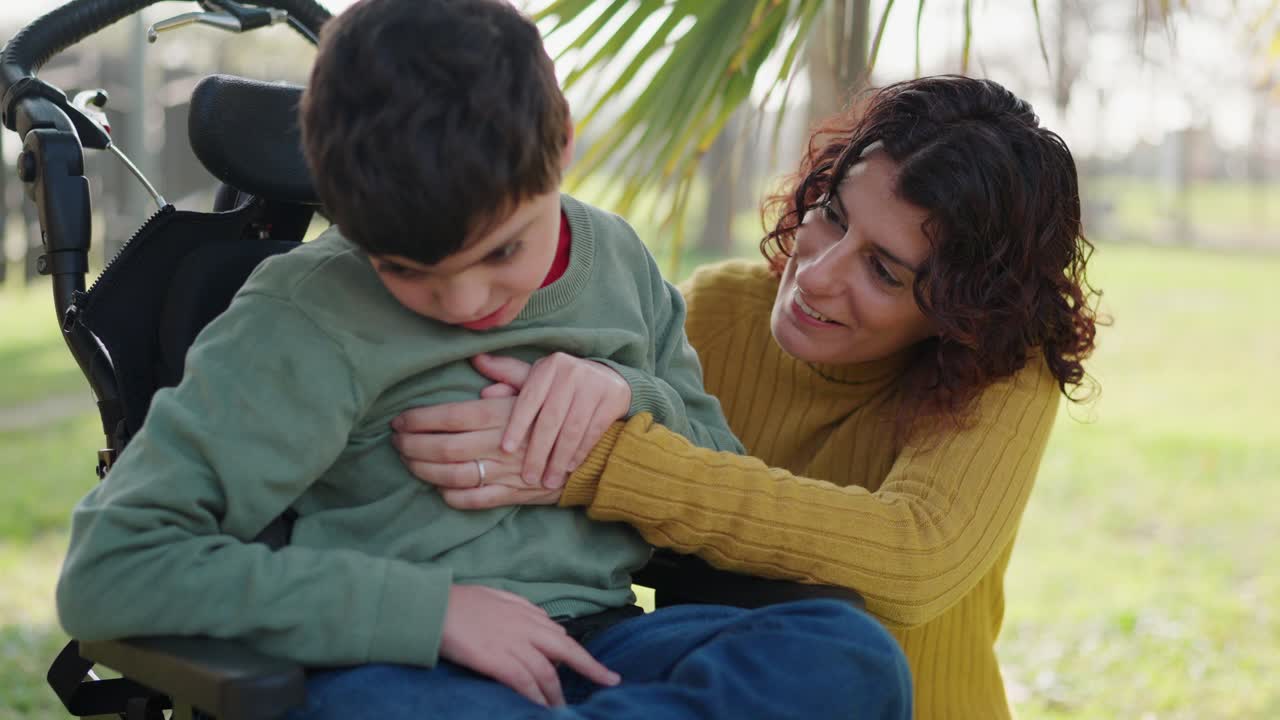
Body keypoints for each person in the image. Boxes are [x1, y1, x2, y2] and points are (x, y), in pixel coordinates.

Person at [55, 0, 914, 718]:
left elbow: (719, 489)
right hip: (406, 670)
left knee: (851, 657)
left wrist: (630, 396)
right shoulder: (304, 314)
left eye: (503, 252)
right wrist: (429, 616)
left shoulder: (616, 260)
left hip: (607, 643)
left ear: (563, 144)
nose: (468, 306)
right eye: (407, 271)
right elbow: (113, 567)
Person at [393, 74, 1100, 719]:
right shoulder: (716, 312)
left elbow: (914, 556)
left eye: (882, 271)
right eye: (832, 213)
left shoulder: (1000, 369)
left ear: (961, 311)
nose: (816, 273)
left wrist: (599, 460)